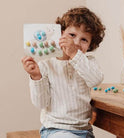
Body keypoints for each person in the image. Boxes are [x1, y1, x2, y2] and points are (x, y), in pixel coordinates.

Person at [21, 6, 105, 138]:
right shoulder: (46, 64)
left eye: (84, 40)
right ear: (60, 34)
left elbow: (95, 80)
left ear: (90, 45)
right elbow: (41, 103)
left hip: (85, 131)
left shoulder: (88, 62)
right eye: (72, 35)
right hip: (55, 130)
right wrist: (36, 76)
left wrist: (74, 55)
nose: (76, 42)